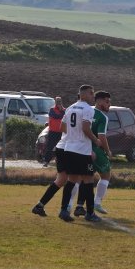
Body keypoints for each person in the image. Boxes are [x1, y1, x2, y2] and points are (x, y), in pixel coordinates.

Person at [56, 85, 101, 222]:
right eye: (91, 93)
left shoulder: (70, 108)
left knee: (71, 180)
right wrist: (95, 140)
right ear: (84, 95)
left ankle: (64, 210)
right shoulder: (88, 109)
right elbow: (86, 127)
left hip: (69, 148)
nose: (93, 96)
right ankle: (90, 213)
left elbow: (62, 127)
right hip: (82, 150)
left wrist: (72, 135)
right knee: (88, 180)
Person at [73, 90, 113, 215]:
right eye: (107, 102)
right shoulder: (102, 117)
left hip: (81, 148)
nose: (109, 105)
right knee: (106, 175)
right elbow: (102, 137)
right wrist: (108, 151)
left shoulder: (86, 110)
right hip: (96, 149)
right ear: (99, 101)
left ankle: (71, 205)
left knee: (79, 178)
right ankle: (97, 203)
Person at [42, 96, 65, 166]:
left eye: (59, 101)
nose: (58, 103)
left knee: (61, 147)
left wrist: (62, 111)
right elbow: (55, 116)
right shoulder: (52, 109)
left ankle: (60, 161)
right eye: (57, 101)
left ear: (61, 102)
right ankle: (46, 161)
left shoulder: (64, 110)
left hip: (61, 131)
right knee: (50, 147)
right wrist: (62, 112)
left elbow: (64, 117)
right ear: (55, 102)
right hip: (53, 131)